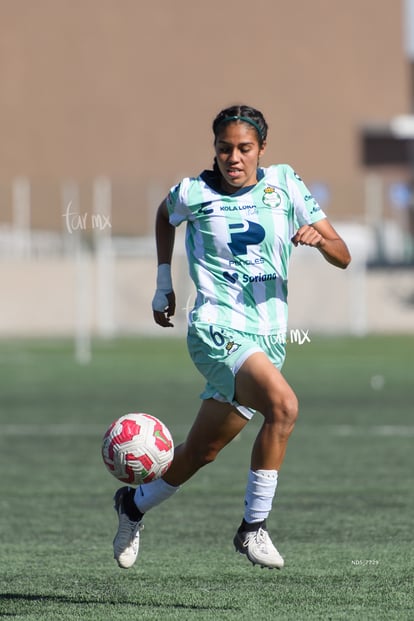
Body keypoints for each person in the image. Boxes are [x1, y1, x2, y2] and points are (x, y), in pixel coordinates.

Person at [112, 104, 351, 570]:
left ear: (262, 149)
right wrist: (165, 283)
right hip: (215, 329)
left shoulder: (285, 184)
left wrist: (321, 242)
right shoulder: (193, 192)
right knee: (283, 407)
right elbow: (165, 214)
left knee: (204, 450)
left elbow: (343, 255)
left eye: (244, 148)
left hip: (268, 339)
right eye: (225, 149)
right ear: (214, 150)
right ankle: (252, 528)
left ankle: (132, 505)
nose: (234, 158)